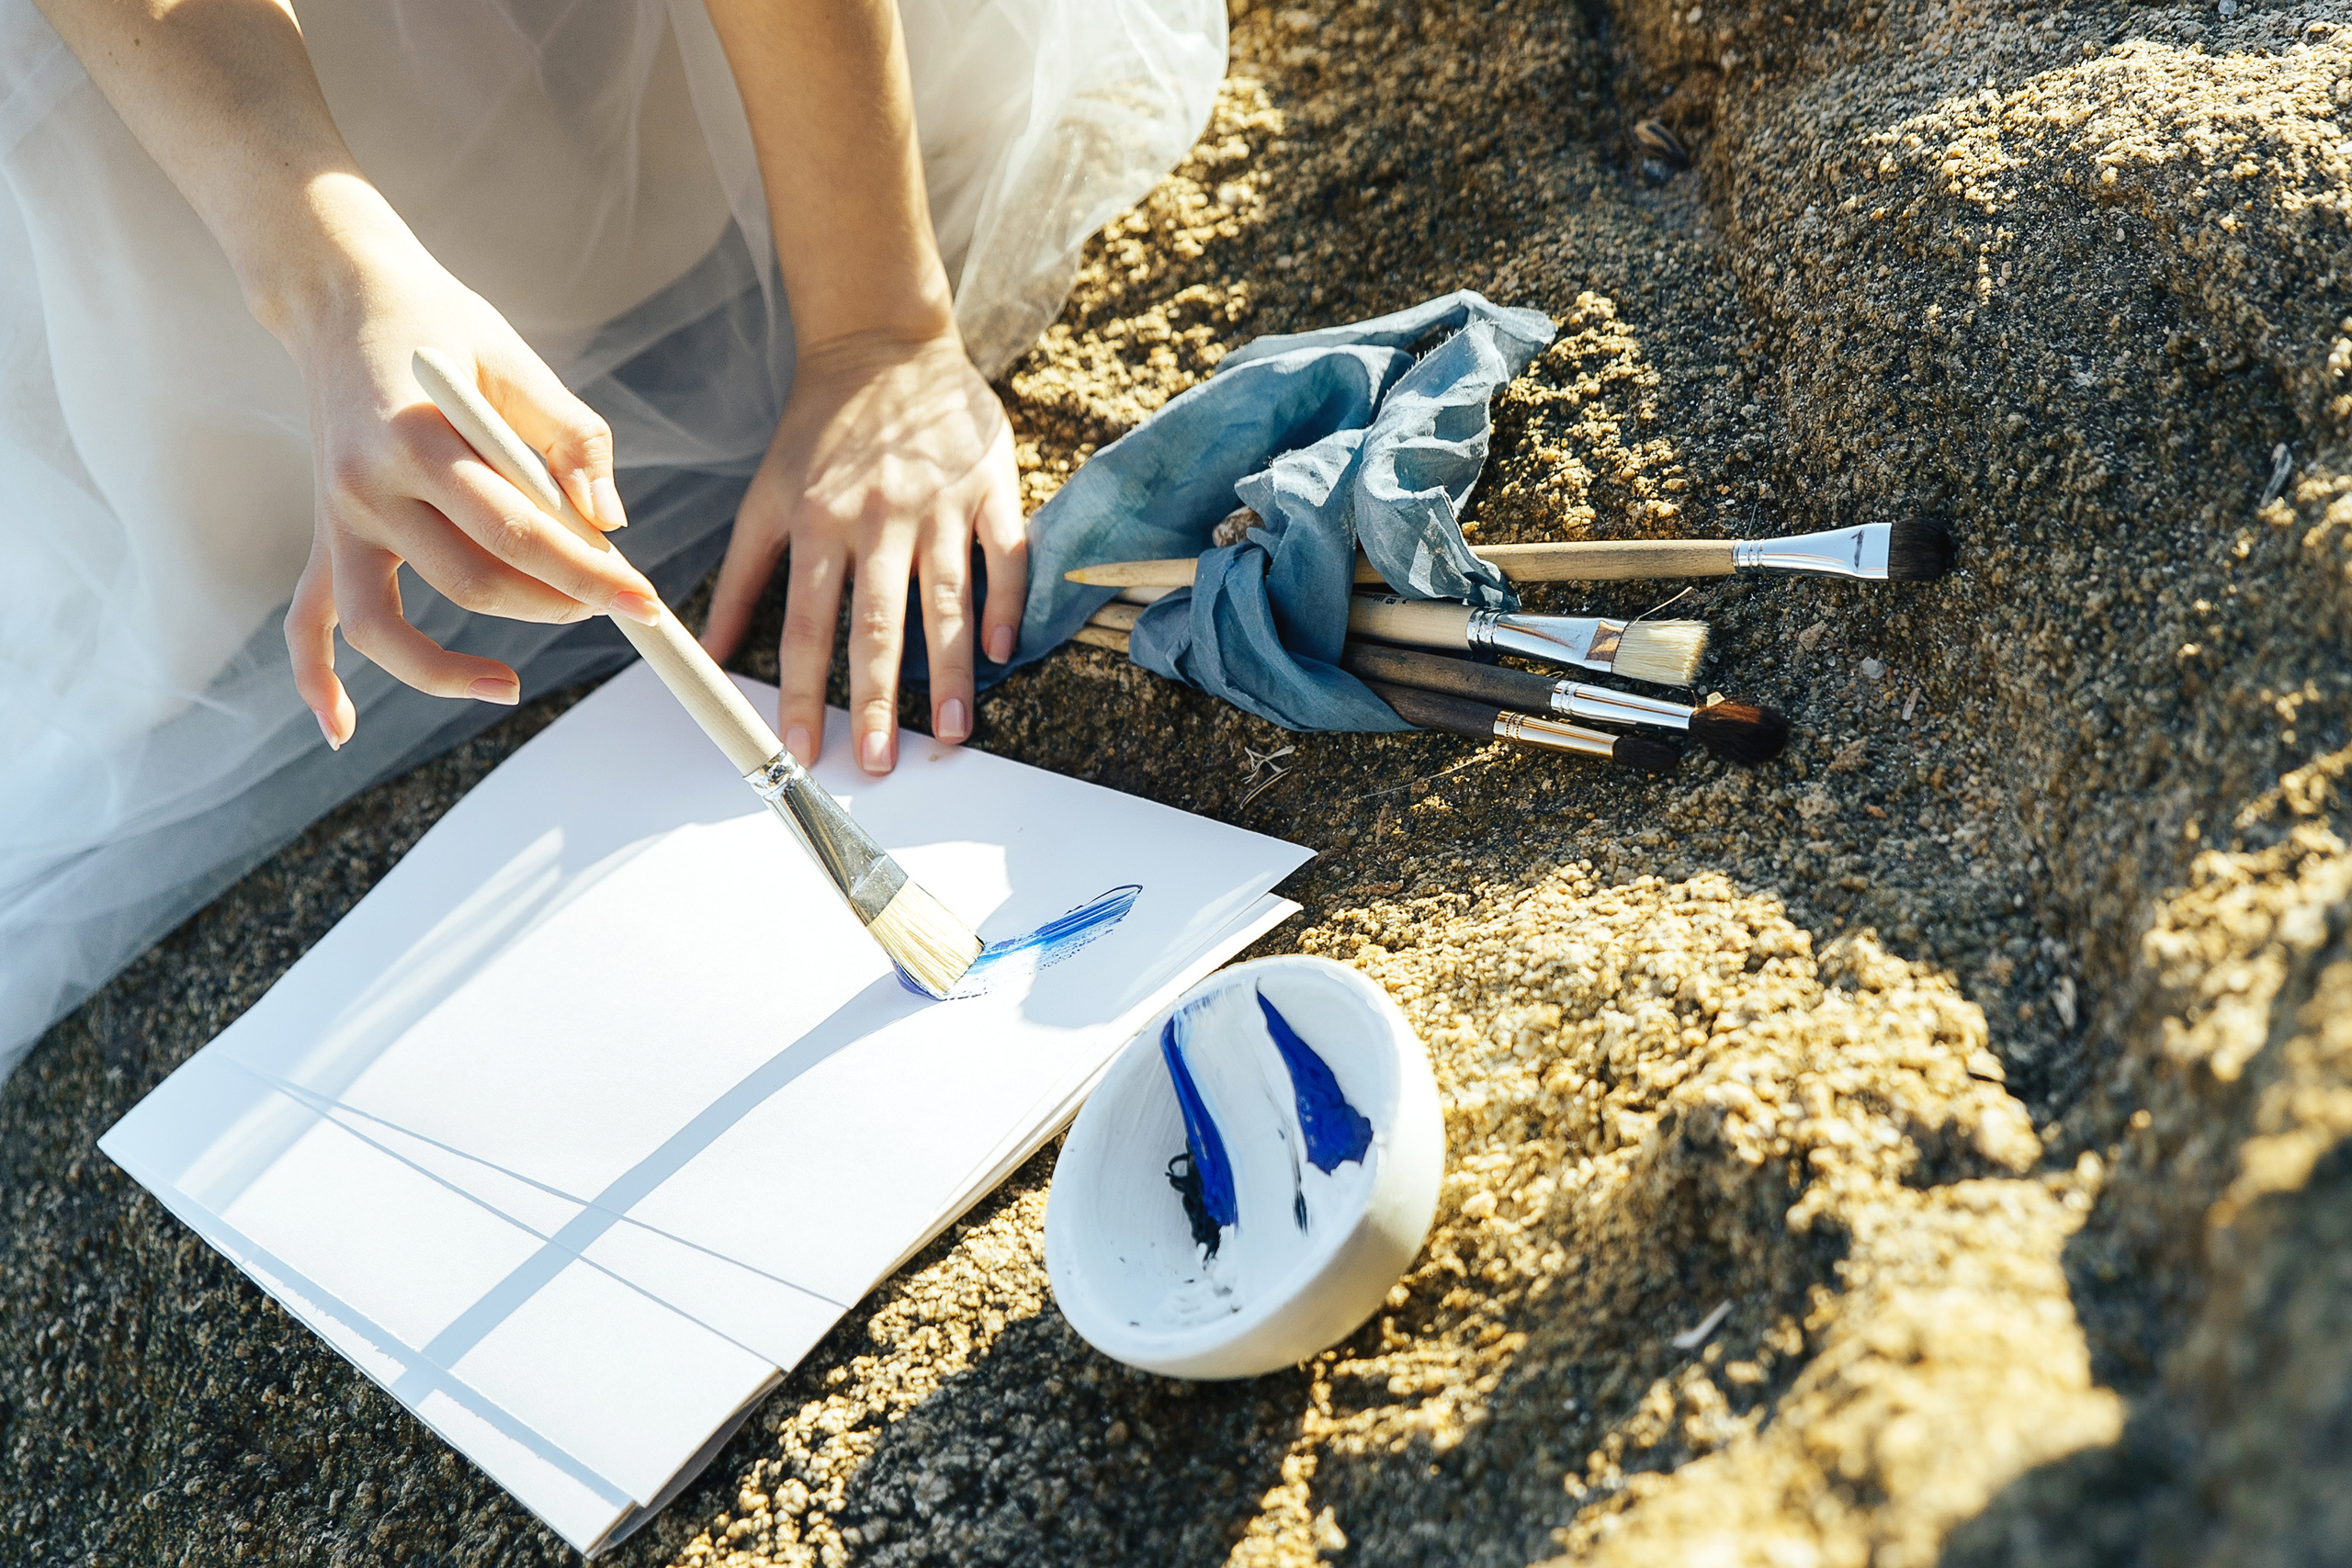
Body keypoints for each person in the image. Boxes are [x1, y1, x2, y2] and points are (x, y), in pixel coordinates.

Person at [0, 0, 1225, 1075]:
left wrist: (875, 330)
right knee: (209, 527)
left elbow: (880, 316)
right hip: (188, 99)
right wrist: (327, 277)